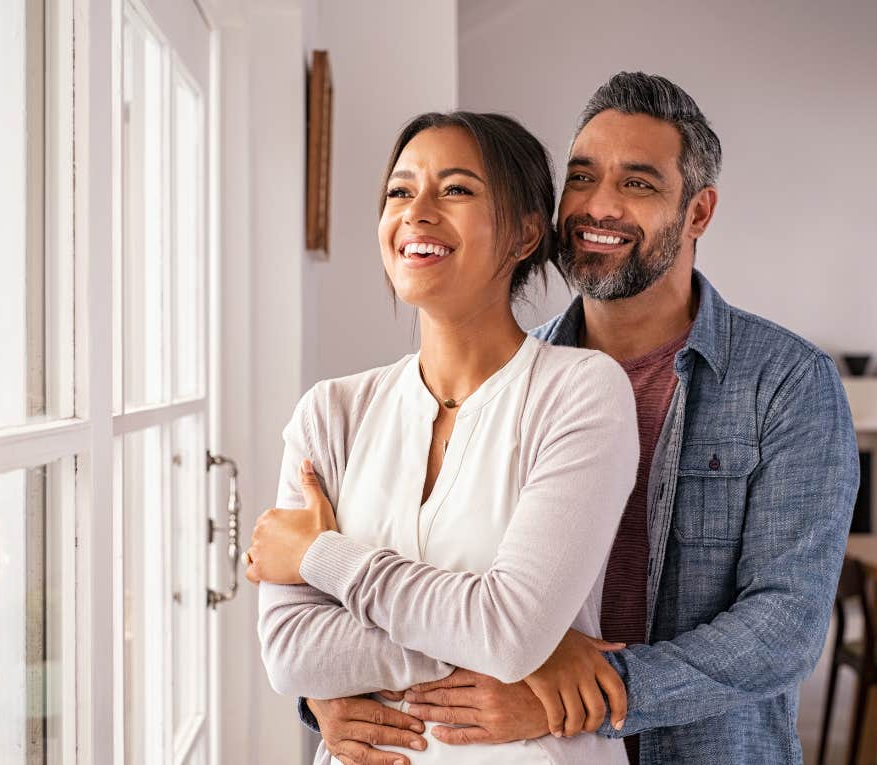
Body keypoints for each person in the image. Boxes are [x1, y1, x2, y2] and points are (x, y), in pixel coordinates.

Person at [302, 72, 860, 765]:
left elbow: (785, 625)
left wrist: (589, 691)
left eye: (638, 183)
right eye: (582, 176)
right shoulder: (506, 378)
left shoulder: (784, 382)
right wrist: (326, 689)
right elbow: (436, 577)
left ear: (698, 213)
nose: (599, 206)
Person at [248, 111, 640, 764]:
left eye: (456, 189)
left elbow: (510, 630)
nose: (417, 212)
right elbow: (290, 652)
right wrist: (512, 639)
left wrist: (321, 554)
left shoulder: (580, 392)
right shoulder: (330, 413)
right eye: (400, 192)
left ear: (523, 234)